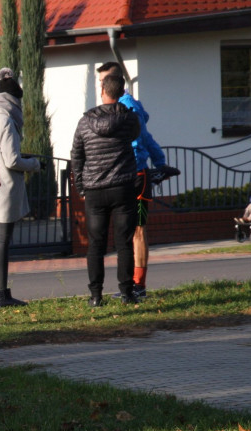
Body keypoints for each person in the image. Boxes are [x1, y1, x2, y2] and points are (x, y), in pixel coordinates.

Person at [96, 62, 175, 299]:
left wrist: (145, 165)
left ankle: (138, 286)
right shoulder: (120, 106)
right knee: (128, 232)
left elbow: (139, 142)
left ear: (115, 82)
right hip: (127, 174)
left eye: (103, 82)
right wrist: (160, 162)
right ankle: (131, 284)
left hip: (135, 174)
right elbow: (148, 138)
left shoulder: (126, 106)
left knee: (138, 231)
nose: (101, 87)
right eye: (100, 82)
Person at [71, 73, 141, 307]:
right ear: (121, 93)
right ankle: (127, 293)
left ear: (102, 91)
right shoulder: (129, 119)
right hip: (122, 187)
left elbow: (77, 155)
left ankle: (95, 296)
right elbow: (135, 135)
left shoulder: (85, 121)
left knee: (96, 244)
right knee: (124, 243)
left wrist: (81, 186)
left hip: (94, 190)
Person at [0, 68, 42, 307]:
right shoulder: (6, 119)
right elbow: (12, 160)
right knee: (2, 242)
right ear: (13, 99)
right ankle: (2, 295)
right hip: (6, 186)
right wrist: (35, 164)